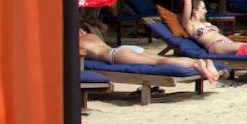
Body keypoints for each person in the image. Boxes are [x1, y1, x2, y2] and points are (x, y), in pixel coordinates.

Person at [80, 27, 222, 80]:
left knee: (158, 62)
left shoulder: (78, 42)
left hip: (115, 55)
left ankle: (196, 64)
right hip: (125, 48)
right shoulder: (93, 36)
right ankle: (205, 62)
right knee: (159, 58)